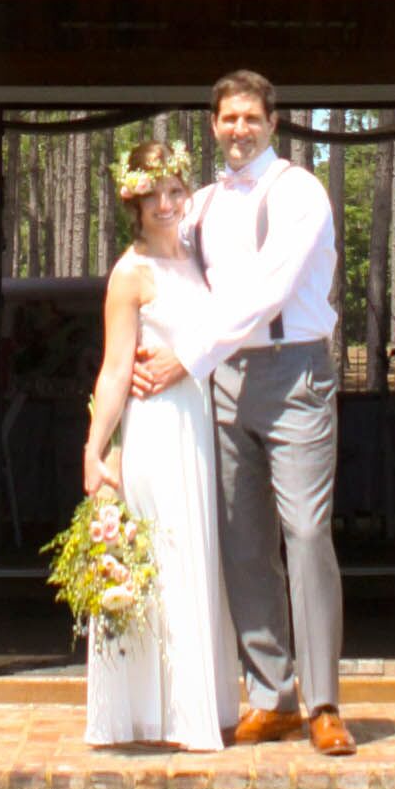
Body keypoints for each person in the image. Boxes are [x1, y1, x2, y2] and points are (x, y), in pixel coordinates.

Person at [131, 71, 354, 759]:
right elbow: (167, 269)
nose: (239, 129)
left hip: (294, 374)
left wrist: (186, 358)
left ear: (273, 122)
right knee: (241, 539)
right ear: (212, 124)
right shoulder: (197, 204)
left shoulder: (299, 193)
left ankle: (323, 704)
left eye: (251, 117)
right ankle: (270, 695)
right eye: (228, 118)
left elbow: (266, 291)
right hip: (223, 381)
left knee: (308, 533)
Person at [81, 140, 237, 755]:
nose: (168, 204)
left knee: (196, 554)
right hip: (154, 429)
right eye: (155, 195)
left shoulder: (200, 260)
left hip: (199, 423)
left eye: (176, 191)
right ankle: (151, 714)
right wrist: (96, 450)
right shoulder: (131, 273)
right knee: (162, 553)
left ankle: (197, 707)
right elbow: (117, 368)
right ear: (135, 202)